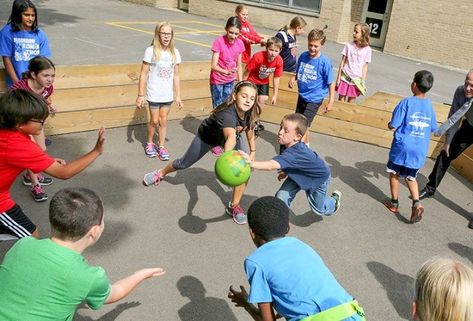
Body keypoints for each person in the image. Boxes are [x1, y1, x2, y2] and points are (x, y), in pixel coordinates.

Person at [0, 187, 166, 320]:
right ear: (94, 231)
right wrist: (140, 275)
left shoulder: (23, 244)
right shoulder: (90, 277)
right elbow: (114, 292)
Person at [228, 196, 365, 321]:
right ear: (288, 228)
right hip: (351, 314)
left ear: (252, 233)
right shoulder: (301, 246)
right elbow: (301, 287)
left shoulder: (255, 262)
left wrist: (247, 304)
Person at [143, 81, 260, 225]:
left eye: (252, 98)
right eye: (244, 96)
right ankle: (160, 173)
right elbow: (230, 138)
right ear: (235, 96)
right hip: (207, 137)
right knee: (183, 163)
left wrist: (253, 151)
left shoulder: (249, 112)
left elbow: (249, 129)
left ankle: (234, 206)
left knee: (244, 171)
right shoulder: (228, 114)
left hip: (229, 138)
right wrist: (229, 162)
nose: (248, 100)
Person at [0, 90, 105, 240]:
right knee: (31, 237)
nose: (43, 124)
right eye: (40, 121)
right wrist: (96, 151)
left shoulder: (10, 133)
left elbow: (18, 157)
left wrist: (47, 160)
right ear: (19, 123)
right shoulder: (18, 144)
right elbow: (63, 173)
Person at [240, 113, 341, 217]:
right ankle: (280, 219)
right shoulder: (287, 144)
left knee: (319, 209)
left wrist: (250, 163)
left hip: (318, 179)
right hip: (298, 173)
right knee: (281, 196)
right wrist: (286, 171)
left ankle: (334, 202)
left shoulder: (296, 153)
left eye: (285, 131)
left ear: (297, 137)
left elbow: (271, 165)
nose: (280, 132)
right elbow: (294, 163)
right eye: (280, 128)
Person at [418, 69, 473, 228]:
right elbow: (454, 117)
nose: (468, 88)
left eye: (472, 86)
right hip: (469, 127)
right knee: (445, 153)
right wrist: (447, 142)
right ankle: (430, 188)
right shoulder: (460, 91)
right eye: (466, 83)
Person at [382, 70, 437, 223]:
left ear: (414, 84)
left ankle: (394, 202)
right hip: (419, 149)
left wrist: (390, 125)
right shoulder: (429, 105)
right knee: (411, 177)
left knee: (394, 172)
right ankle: (416, 202)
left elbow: (394, 124)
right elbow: (433, 127)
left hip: (402, 147)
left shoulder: (406, 102)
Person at [10, 55, 56, 202]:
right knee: (33, 153)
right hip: (20, 125)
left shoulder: (48, 88)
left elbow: (45, 99)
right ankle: (35, 185)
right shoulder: (19, 89)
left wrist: (49, 106)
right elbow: (10, 109)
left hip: (36, 124)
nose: (50, 79)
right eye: (46, 75)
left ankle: (28, 175)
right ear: (33, 75)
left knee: (41, 150)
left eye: (52, 75)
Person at [136, 22, 183, 160]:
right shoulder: (150, 51)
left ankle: (161, 146)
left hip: (167, 95)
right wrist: (140, 94)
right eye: (163, 33)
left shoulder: (175, 52)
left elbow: (176, 75)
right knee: (154, 121)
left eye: (169, 34)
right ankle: (150, 143)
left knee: (163, 121)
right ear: (158, 34)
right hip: (154, 93)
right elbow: (143, 73)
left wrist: (178, 95)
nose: (166, 36)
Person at [289, 28, 335, 145]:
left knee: (304, 126)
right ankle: (301, 146)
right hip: (302, 95)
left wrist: (331, 101)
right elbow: (299, 71)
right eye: (310, 45)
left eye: (316, 46)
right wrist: (294, 78)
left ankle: (304, 148)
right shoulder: (304, 56)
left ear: (322, 45)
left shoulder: (325, 62)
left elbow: (330, 82)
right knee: (298, 122)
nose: (312, 48)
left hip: (314, 98)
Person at [0, 0, 51, 88]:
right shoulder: (7, 32)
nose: (30, 18)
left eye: (33, 15)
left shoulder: (40, 34)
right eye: (26, 15)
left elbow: (44, 62)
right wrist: (17, 84)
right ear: (18, 15)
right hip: (17, 84)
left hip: (36, 84)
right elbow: (6, 59)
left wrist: (45, 86)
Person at [243, 36, 283, 134]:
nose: (273, 53)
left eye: (276, 51)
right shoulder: (258, 56)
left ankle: (255, 120)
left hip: (263, 82)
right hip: (252, 80)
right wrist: (242, 84)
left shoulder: (279, 61)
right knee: (252, 101)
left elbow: (276, 78)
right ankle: (245, 118)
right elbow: (247, 71)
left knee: (263, 99)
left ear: (280, 51)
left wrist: (275, 95)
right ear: (266, 48)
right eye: (271, 50)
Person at [210, 16, 245, 109]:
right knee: (217, 106)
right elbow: (213, 66)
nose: (233, 36)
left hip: (230, 80)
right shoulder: (219, 41)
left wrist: (240, 82)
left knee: (227, 106)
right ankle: (216, 123)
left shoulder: (240, 43)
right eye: (231, 32)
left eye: (236, 34)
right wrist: (226, 72)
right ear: (226, 29)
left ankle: (223, 123)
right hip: (217, 80)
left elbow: (239, 65)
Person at [335, 23, 372, 103]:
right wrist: (338, 78)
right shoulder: (348, 46)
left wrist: (363, 82)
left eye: (356, 32)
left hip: (356, 80)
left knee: (351, 102)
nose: (353, 33)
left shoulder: (368, 50)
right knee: (340, 100)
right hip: (345, 77)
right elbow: (342, 62)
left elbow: (365, 67)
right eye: (353, 31)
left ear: (363, 34)